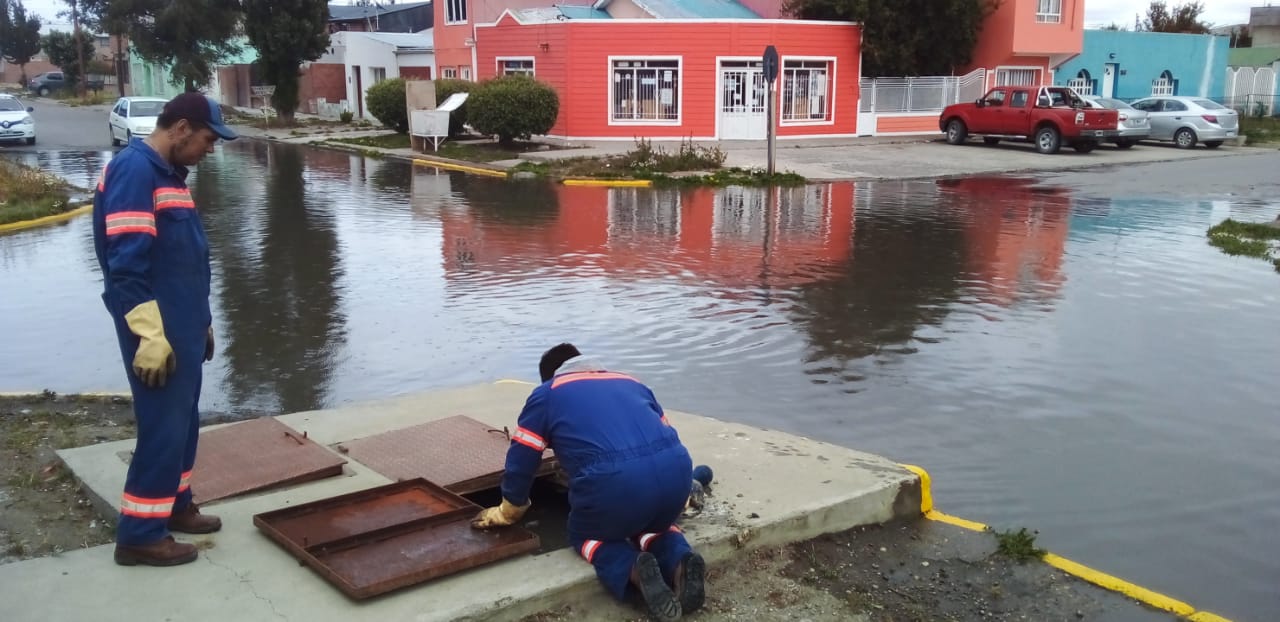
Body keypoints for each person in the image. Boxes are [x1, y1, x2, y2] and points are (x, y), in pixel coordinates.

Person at [93, 92, 238, 567]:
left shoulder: (170, 175)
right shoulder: (135, 172)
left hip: (183, 322)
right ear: (180, 128)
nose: (210, 150)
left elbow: (184, 259)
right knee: (162, 426)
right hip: (155, 328)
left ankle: (175, 506)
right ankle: (139, 534)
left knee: (184, 422)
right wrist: (150, 336)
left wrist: (203, 321)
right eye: (207, 139)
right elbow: (127, 265)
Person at [472, 344, 706, 621]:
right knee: (658, 525)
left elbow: (522, 457)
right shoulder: (632, 383)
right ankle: (680, 562)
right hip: (676, 475)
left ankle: (633, 569)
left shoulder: (548, 394)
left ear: (550, 376)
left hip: (614, 482)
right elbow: (665, 432)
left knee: (586, 534)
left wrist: (510, 507)